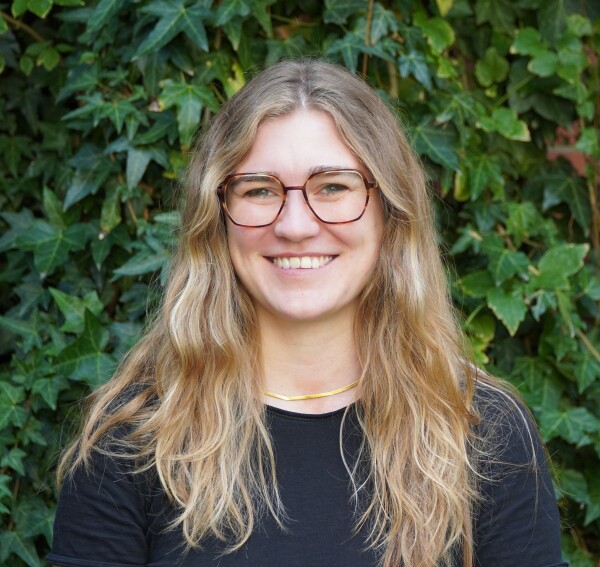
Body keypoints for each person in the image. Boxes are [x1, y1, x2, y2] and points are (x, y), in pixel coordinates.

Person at [48, 60, 566, 567]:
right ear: (216, 217)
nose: (295, 225)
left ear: (391, 212)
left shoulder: (482, 429)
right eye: (259, 191)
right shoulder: (133, 440)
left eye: (333, 187)